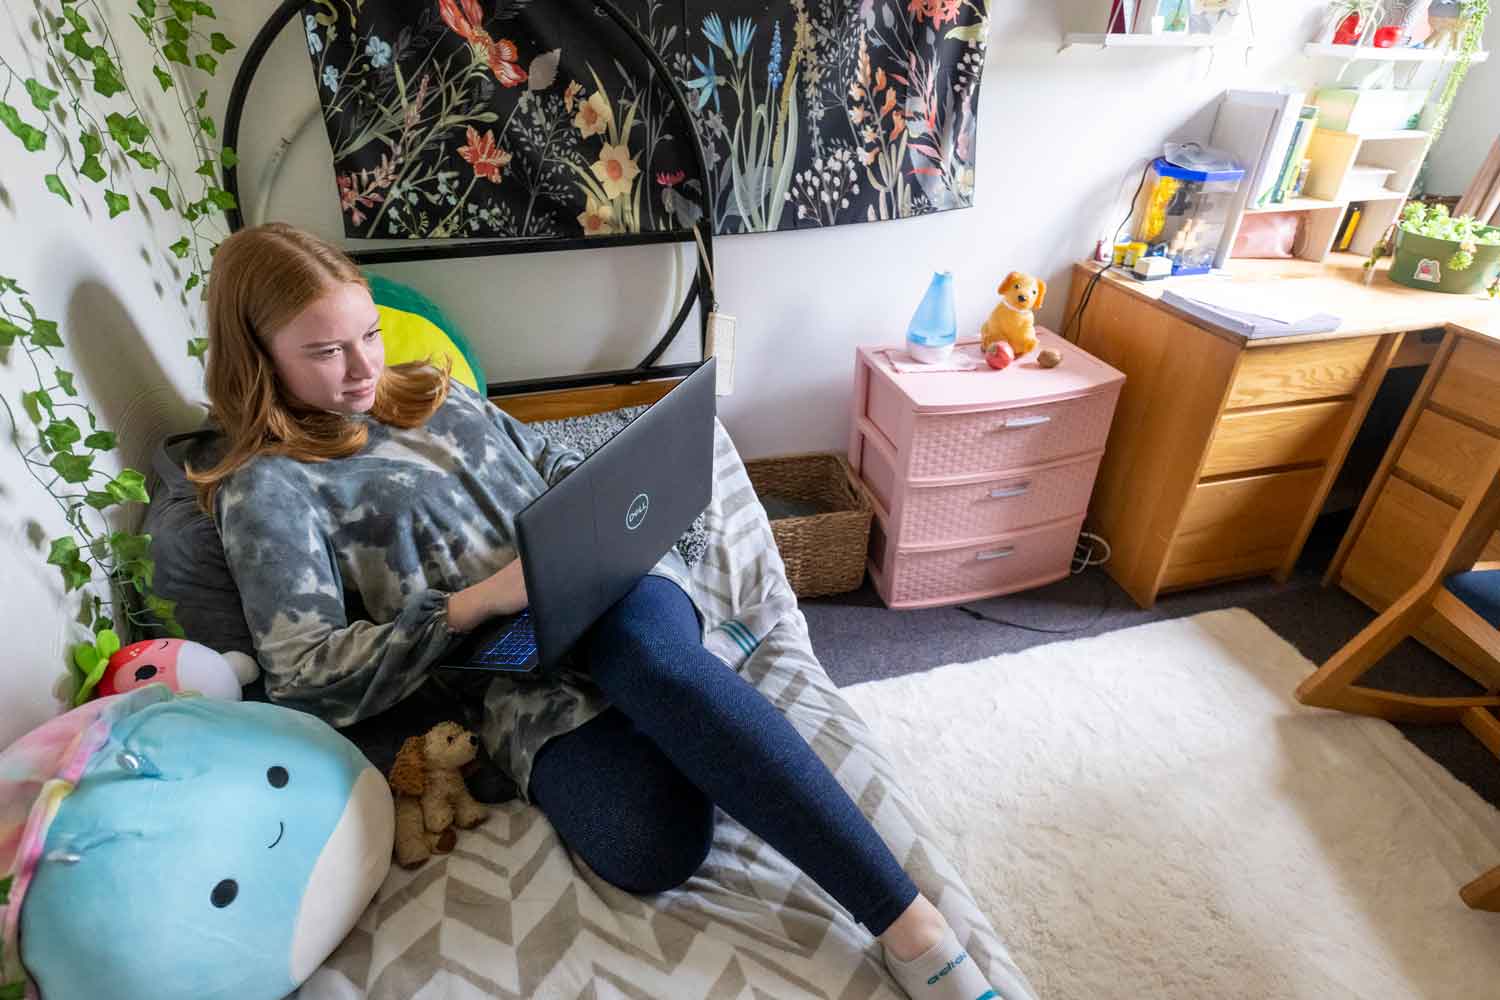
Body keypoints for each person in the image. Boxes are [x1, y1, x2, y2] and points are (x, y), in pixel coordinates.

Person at [191, 222, 1010, 1000]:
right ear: (257, 357)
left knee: (643, 659)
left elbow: (549, 458)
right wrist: (478, 602)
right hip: (511, 672)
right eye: (325, 352)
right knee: (650, 848)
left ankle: (912, 927)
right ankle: (701, 696)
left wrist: (588, 512)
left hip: (613, 589)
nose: (363, 367)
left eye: (368, 334)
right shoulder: (269, 489)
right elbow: (302, 674)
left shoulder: (433, 396)